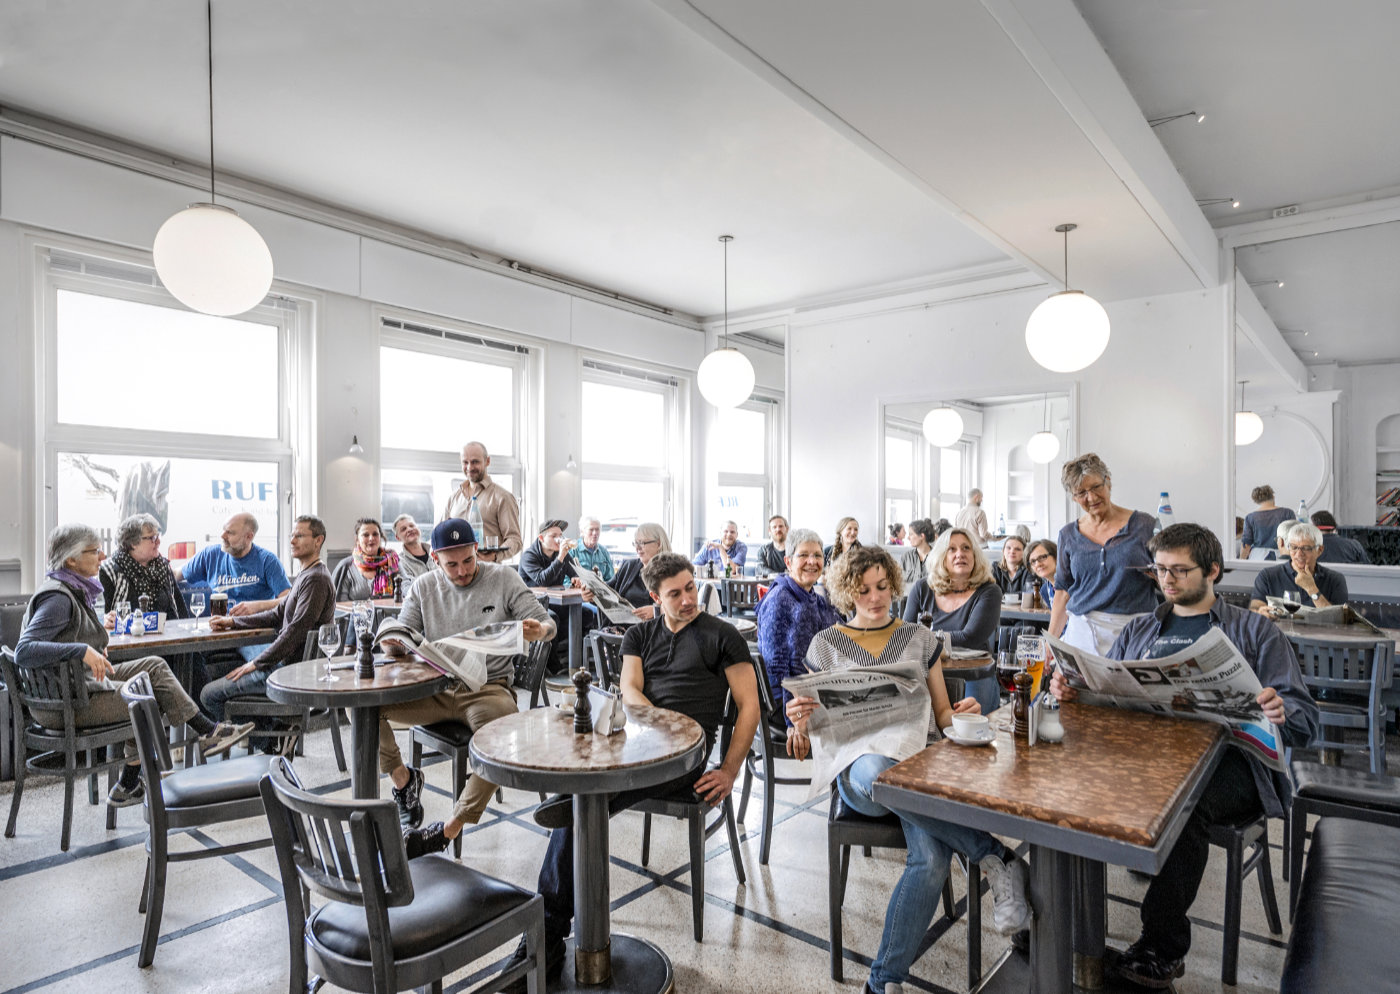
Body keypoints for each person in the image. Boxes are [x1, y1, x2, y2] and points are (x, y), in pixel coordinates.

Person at [1051, 523, 1318, 988]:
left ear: (1212, 570)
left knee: (1184, 800)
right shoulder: (1141, 627)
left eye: (1180, 570)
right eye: (1159, 570)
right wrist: (1076, 691)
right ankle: (1063, 923)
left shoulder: (1254, 631)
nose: (1167, 581)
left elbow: (1305, 719)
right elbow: (1111, 692)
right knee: (1070, 782)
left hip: (1230, 764)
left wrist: (1280, 707)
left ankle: (1161, 946)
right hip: (1146, 758)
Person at [788, 546, 1029, 994]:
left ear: (895, 585)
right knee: (879, 768)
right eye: (863, 590)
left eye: (882, 587)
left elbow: (941, 715)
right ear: (847, 592)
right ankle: (995, 855)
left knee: (933, 859)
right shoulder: (825, 644)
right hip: (860, 772)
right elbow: (812, 716)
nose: (875, 597)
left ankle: (882, 981)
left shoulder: (919, 639)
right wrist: (798, 716)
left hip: (916, 764)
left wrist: (964, 713)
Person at [513, 553, 760, 985]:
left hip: (689, 755)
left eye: (689, 588)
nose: (687, 600)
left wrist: (729, 771)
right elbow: (629, 690)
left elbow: (750, 707)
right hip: (641, 742)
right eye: (675, 594)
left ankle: (546, 933)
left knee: (585, 798)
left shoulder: (722, 635)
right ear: (653, 597)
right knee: (588, 782)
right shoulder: (639, 635)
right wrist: (657, 724)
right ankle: (572, 810)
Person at [17, 524, 253, 807]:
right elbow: (24, 651)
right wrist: (82, 649)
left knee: (152, 667)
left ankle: (206, 734)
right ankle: (135, 782)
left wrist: (89, 640)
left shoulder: (71, 589)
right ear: (71, 560)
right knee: (146, 699)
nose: (102, 556)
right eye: (94, 551)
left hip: (78, 686)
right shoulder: (58, 598)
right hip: (65, 704)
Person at [375, 518, 556, 857]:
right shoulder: (424, 587)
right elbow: (404, 632)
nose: (461, 571)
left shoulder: (502, 578)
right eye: (451, 564)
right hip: (435, 687)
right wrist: (394, 643)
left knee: (501, 742)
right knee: (365, 709)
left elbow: (549, 625)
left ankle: (447, 829)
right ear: (435, 560)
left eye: (468, 560)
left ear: (477, 551)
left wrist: (540, 630)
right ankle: (403, 781)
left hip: (488, 689)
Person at [201, 516, 337, 725]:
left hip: (288, 672)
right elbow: (277, 614)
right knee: (212, 673)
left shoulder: (316, 579)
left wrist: (256, 663)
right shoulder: (307, 574)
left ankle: (271, 739)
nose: (292, 541)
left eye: (299, 536)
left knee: (208, 695)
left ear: (318, 540)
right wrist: (233, 622)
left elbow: (295, 632)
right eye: (292, 536)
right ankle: (274, 733)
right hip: (282, 665)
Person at [1050, 453, 1158, 654]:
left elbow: (1169, 577)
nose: (1091, 498)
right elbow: (1063, 592)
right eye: (1081, 493)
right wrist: (1051, 643)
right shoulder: (1068, 535)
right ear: (1074, 498)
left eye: (1095, 487)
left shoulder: (1145, 525)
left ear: (1107, 481)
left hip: (1135, 631)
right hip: (1082, 634)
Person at [755, 528, 842, 740]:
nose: (812, 561)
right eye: (803, 555)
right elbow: (778, 668)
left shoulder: (811, 596)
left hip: (808, 692)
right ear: (788, 562)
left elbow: (841, 629)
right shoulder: (780, 599)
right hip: (784, 705)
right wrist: (793, 723)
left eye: (818, 555)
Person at [178, 512, 291, 666]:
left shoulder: (267, 560)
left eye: (230, 532)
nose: (223, 535)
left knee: (269, 665)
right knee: (185, 658)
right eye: (224, 530)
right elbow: (176, 574)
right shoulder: (211, 555)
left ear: (249, 537)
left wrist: (257, 606)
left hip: (251, 631)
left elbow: (289, 599)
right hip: (219, 629)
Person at [901, 528, 1002, 650]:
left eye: (966, 548)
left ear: (975, 556)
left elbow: (969, 639)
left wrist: (921, 638)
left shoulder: (989, 591)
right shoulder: (922, 588)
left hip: (971, 667)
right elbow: (905, 635)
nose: (960, 554)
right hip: (925, 666)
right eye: (951, 549)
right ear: (941, 557)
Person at [98, 513, 190, 624]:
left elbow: (180, 610)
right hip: (128, 638)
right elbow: (104, 617)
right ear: (133, 543)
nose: (158, 542)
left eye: (158, 536)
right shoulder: (109, 570)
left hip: (166, 636)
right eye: (152, 538)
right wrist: (107, 620)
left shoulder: (162, 566)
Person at [440, 441, 523, 562]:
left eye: (475, 462)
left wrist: (494, 556)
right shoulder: (454, 498)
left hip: (488, 573)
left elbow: (515, 540)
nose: (469, 467)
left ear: (487, 461)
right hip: (456, 574)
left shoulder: (502, 497)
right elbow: (441, 534)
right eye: (465, 462)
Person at [1249, 521, 1349, 615]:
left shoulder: (1335, 579)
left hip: (1318, 633)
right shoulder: (1268, 576)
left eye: (1306, 548)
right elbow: (1254, 608)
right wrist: (1260, 612)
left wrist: (1311, 589)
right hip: (1279, 632)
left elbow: (1338, 619)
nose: (1299, 554)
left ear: (1320, 550)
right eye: (1294, 547)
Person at [609, 522, 670, 621]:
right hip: (621, 629)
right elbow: (607, 591)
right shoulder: (629, 566)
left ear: (658, 544)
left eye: (642, 543)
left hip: (653, 631)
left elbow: (682, 607)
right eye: (636, 543)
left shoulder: (673, 571)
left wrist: (657, 610)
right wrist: (591, 594)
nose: (637, 548)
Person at [331, 517, 402, 600]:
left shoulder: (392, 561)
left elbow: (406, 588)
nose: (371, 538)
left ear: (380, 537)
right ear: (357, 540)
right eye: (366, 535)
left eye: (375, 534)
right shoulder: (346, 567)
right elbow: (340, 606)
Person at [1240, 485, 1295, 558]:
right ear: (1273, 496)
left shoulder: (1250, 517)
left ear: (1257, 501)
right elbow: (1295, 538)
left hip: (1258, 557)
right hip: (1283, 556)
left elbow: (1246, 544)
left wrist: (1241, 560)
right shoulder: (1287, 513)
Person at [392, 514, 434, 581]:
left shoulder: (436, 550)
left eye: (412, 525)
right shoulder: (400, 563)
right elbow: (411, 589)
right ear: (398, 538)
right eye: (403, 529)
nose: (409, 529)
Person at [573, 516, 615, 580]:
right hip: (578, 589)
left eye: (597, 529)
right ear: (582, 531)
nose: (595, 533)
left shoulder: (604, 552)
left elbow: (611, 579)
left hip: (601, 589)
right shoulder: (573, 550)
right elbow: (566, 580)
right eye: (591, 529)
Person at [899, 519, 937, 589]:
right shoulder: (906, 557)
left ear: (922, 536)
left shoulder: (937, 557)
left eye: (911, 534)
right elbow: (899, 583)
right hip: (908, 598)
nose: (908, 538)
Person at [1027, 539, 1057, 608]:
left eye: (1042, 557)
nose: (1038, 564)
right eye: (1033, 561)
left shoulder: (1074, 583)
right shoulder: (1045, 590)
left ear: (1056, 557)